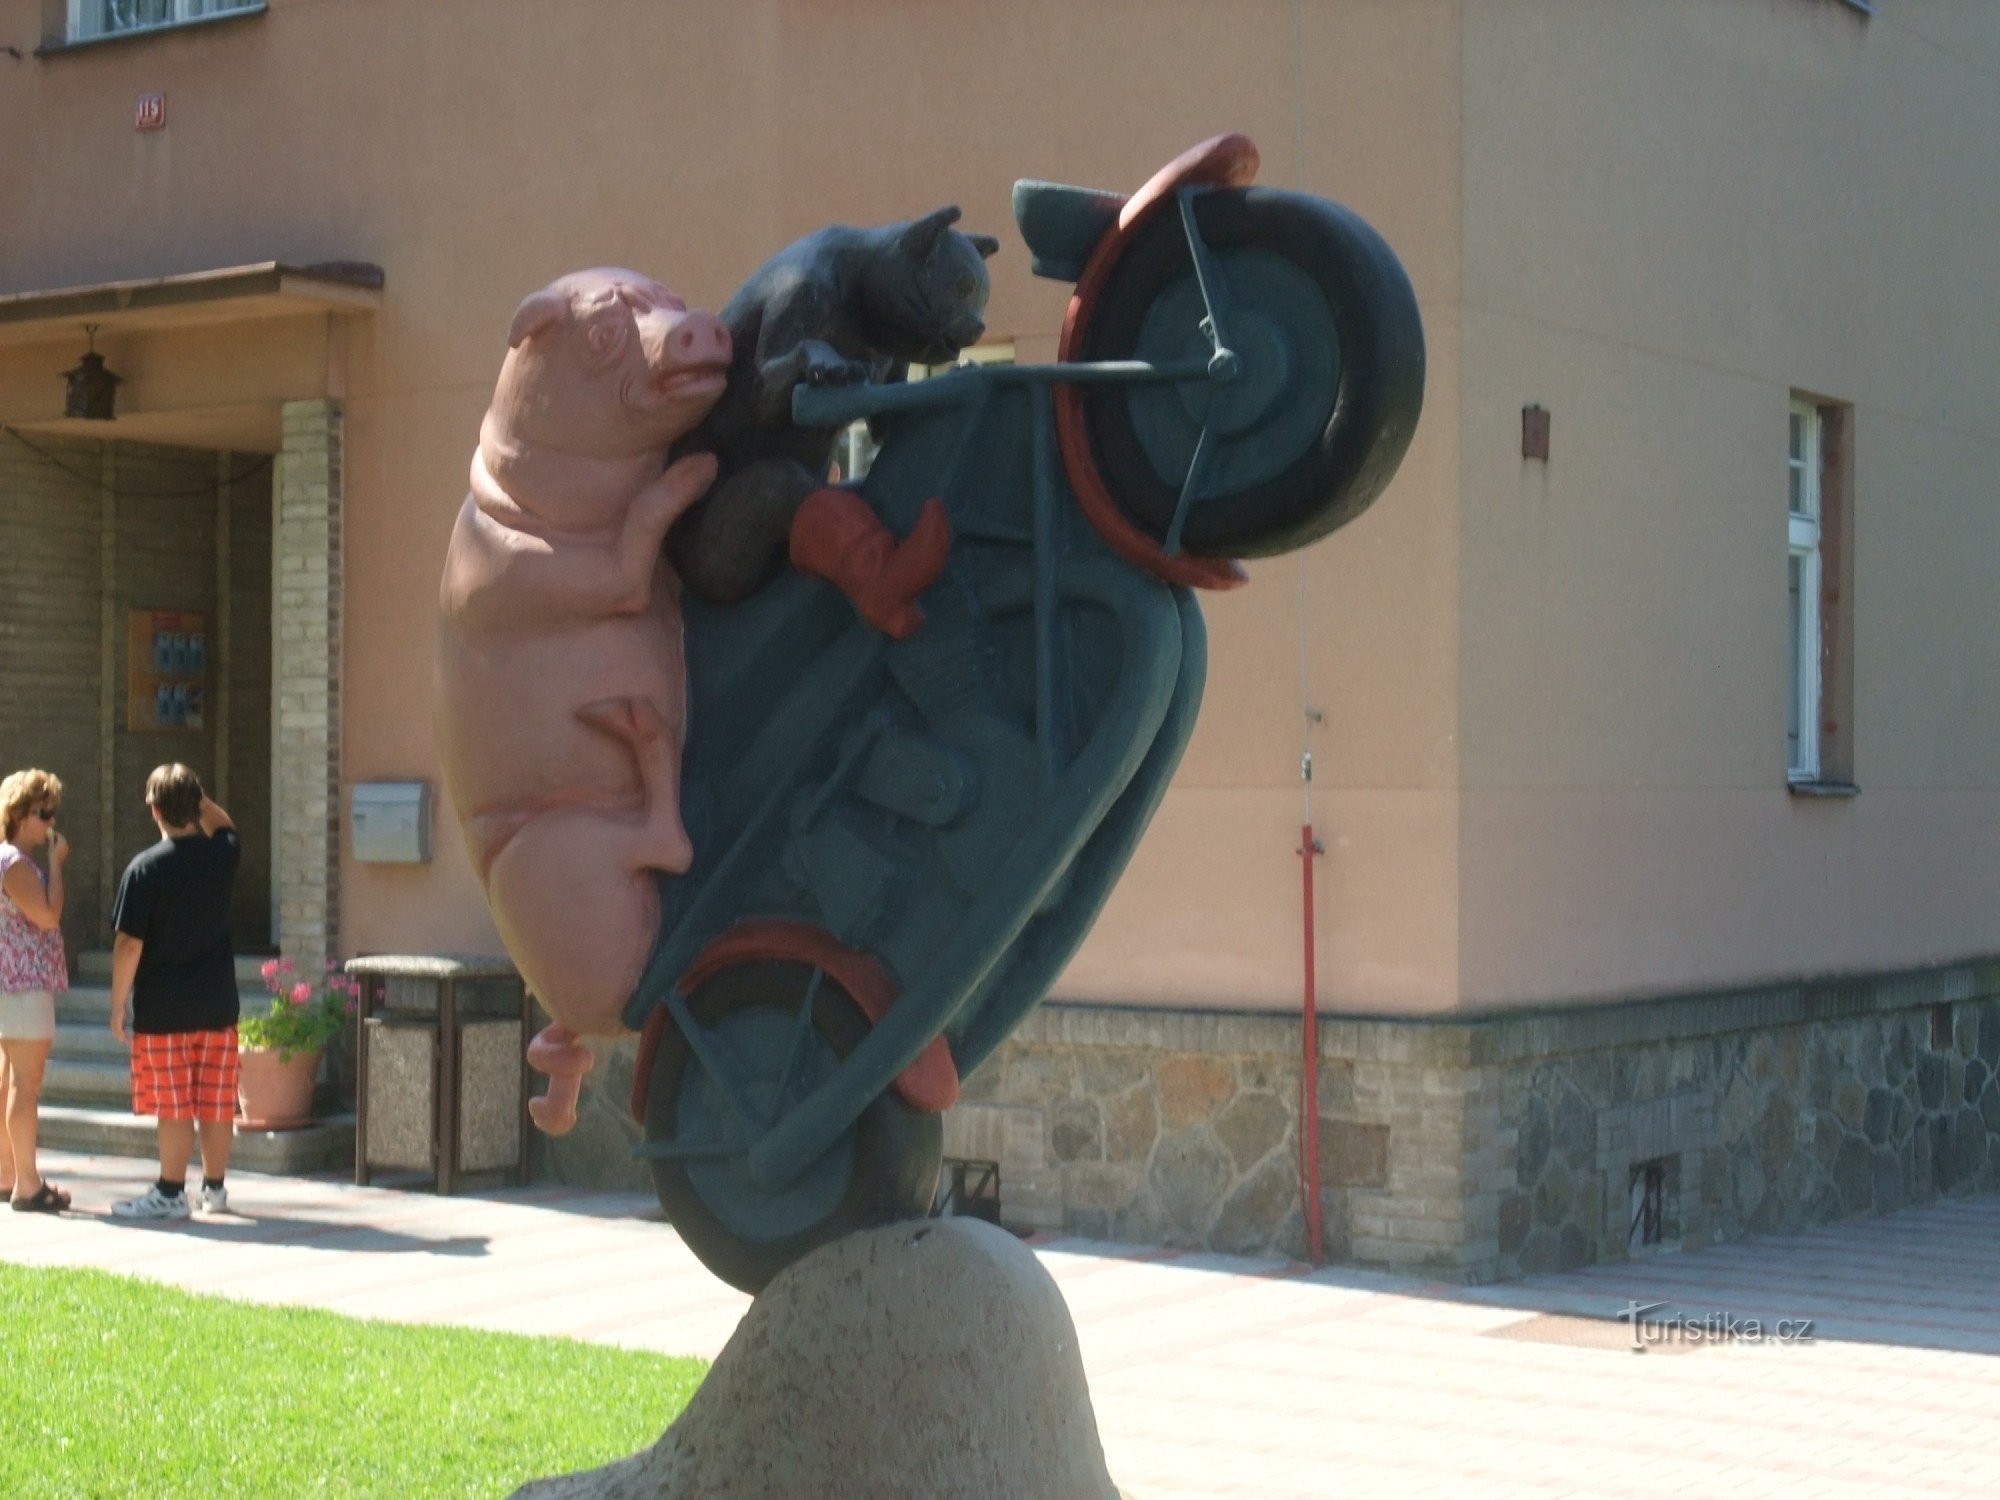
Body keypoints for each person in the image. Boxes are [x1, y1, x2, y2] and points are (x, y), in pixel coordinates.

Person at [108, 764, 241, 1220]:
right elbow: (224, 825)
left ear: (154, 809)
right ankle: (216, 1190)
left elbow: (128, 945)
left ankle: (169, 1192)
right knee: (216, 1102)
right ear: (196, 804)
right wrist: (197, 798)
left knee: (175, 1106)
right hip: (218, 1003)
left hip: (164, 1010)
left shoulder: (144, 869)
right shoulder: (222, 854)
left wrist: (116, 1006)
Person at [0, 768, 71, 1213]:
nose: (50, 824)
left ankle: (10, 1175)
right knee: (26, 1086)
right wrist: (58, 867)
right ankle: (27, 1185)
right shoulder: (16, 864)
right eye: (44, 814)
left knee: (10, 1082)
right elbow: (47, 918)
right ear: (19, 814)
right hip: (22, 986)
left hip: (14, 986)